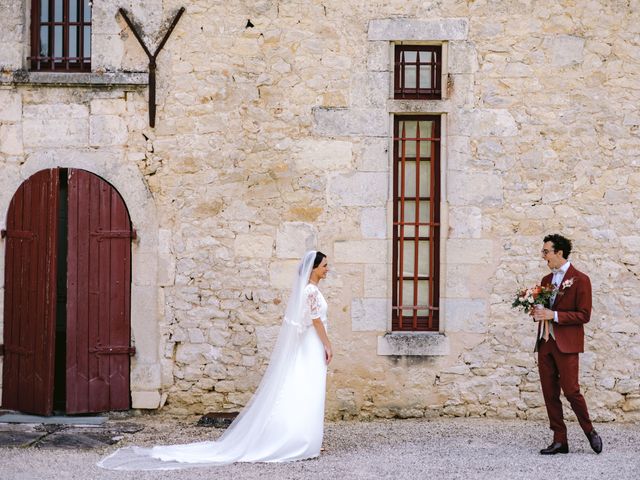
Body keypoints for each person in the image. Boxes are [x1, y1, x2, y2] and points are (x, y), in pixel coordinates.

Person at [98, 250, 332, 470]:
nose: (327, 269)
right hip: (313, 344)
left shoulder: (312, 290)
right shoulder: (310, 291)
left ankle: (308, 438)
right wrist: (327, 344)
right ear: (313, 269)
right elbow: (315, 320)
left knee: (308, 390)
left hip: (309, 345)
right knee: (306, 389)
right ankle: (300, 440)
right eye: (324, 266)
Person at [532, 234, 602, 455]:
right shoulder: (545, 280)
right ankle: (560, 439)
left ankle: (589, 430)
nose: (543, 256)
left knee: (571, 391)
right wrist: (537, 313)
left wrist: (554, 315)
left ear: (559, 253)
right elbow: (543, 310)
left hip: (567, 345)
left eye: (546, 252)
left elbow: (583, 315)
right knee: (549, 392)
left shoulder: (581, 280)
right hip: (545, 343)